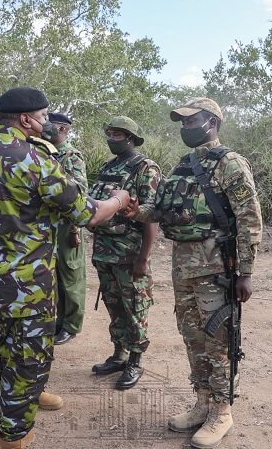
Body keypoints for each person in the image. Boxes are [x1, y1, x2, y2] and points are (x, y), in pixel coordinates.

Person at [0, 87, 130, 449]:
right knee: (26, 374)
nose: (47, 123)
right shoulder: (36, 161)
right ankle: (14, 441)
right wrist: (119, 199)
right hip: (26, 296)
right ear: (26, 119)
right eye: (45, 117)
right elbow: (88, 214)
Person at [124, 98, 263, 448]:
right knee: (193, 337)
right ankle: (203, 402)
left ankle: (222, 410)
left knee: (218, 341)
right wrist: (132, 209)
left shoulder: (230, 163)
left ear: (212, 122)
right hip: (183, 266)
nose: (185, 128)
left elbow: (249, 219)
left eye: (192, 121)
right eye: (182, 123)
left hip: (217, 266)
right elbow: (158, 210)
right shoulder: (183, 164)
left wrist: (245, 272)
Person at [88, 116, 161, 390]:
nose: (111, 139)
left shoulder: (146, 168)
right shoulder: (109, 166)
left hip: (129, 254)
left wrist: (143, 257)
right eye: (109, 134)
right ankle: (119, 354)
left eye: (117, 135)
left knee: (135, 309)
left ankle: (135, 360)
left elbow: (152, 215)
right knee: (114, 306)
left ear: (130, 137)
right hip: (105, 252)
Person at [45, 112, 88, 345]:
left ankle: (71, 325)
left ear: (62, 129)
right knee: (54, 277)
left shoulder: (71, 156)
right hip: (49, 227)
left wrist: (73, 228)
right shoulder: (45, 152)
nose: (44, 128)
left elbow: (80, 192)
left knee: (71, 277)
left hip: (66, 227)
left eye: (49, 125)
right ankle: (59, 321)